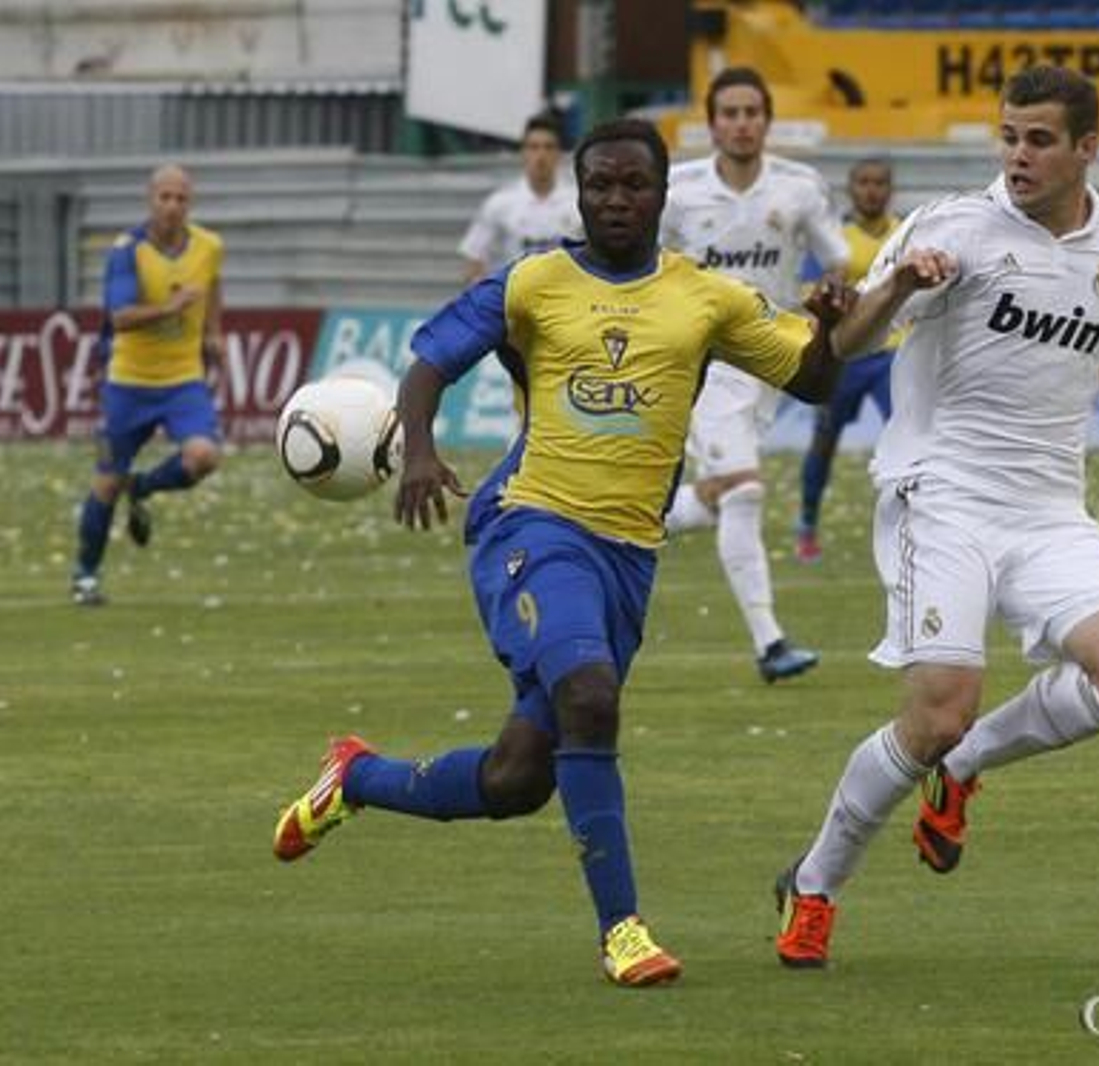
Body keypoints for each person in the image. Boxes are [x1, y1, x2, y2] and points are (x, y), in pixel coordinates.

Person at [271, 119, 853, 988]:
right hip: (531, 526)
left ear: (664, 197)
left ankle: (356, 778)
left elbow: (810, 379)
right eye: (601, 186)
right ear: (579, 193)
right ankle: (623, 931)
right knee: (590, 695)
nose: (616, 201)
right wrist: (419, 447)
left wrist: (828, 331)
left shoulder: (705, 298)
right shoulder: (535, 283)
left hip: (627, 558)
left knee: (517, 779)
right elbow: (431, 359)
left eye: (634, 187)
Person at [771, 65, 1099, 969]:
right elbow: (843, 347)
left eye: (1039, 139)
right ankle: (816, 882)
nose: (1017, 155)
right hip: (940, 495)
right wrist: (899, 284)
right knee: (935, 711)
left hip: (1048, 510)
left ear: (1086, 149)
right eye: (1009, 136)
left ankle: (970, 764)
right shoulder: (950, 227)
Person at [659, 66, 852, 683]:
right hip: (703, 358)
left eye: (752, 112)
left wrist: (828, 298)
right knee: (743, 490)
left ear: (766, 120)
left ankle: (632, 520)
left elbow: (839, 258)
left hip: (771, 359)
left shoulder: (798, 188)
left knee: (724, 498)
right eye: (730, 112)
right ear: (711, 122)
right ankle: (771, 645)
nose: (742, 123)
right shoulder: (679, 190)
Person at [71, 164, 226, 606]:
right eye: (165, 197)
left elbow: (213, 285)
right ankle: (86, 577)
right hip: (128, 384)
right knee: (105, 480)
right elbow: (119, 317)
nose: (173, 206)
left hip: (182, 381)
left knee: (204, 456)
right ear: (150, 199)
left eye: (181, 198)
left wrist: (214, 332)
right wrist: (172, 308)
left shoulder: (209, 246)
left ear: (189, 203)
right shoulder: (128, 251)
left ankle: (143, 487)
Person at [794, 157, 900, 564]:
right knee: (823, 443)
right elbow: (809, 290)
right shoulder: (833, 237)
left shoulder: (904, 233)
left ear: (890, 190)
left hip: (889, 354)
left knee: (905, 437)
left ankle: (910, 527)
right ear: (851, 189)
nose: (871, 190)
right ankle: (807, 523)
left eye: (879, 183)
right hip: (842, 356)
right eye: (864, 182)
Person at [458, 113, 581, 283]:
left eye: (548, 147)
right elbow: (474, 260)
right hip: (515, 302)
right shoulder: (500, 203)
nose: (541, 155)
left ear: (559, 153)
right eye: (534, 147)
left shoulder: (578, 203)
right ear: (523, 152)